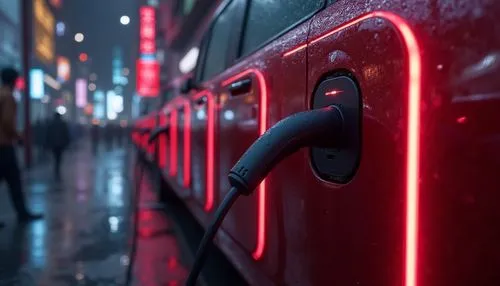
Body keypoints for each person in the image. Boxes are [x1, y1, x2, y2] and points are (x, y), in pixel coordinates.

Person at [0, 67, 43, 227]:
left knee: (13, 181)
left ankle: (23, 213)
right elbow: (6, 122)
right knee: (14, 182)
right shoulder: (9, 97)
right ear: (14, 81)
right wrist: (17, 137)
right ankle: (22, 214)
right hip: (4, 147)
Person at [46, 112, 70, 180]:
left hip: (53, 143)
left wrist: (47, 143)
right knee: (59, 156)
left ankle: (56, 166)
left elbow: (48, 134)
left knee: (55, 155)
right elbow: (66, 134)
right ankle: (57, 166)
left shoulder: (51, 124)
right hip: (60, 143)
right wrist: (67, 142)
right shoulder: (63, 124)